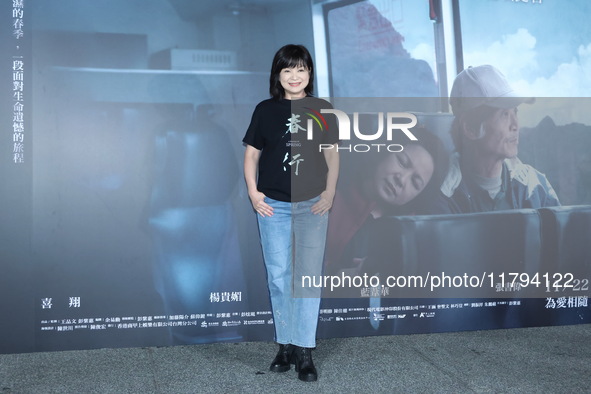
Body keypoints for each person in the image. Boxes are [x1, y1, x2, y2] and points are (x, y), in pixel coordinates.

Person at [242, 44, 339, 382]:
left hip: (313, 204)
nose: (294, 76)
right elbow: (252, 155)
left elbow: (332, 155)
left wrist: (329, 192)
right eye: (287, 70)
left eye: (300, 69)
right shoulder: (265, 110)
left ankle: (305, 350)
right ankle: (285, 344)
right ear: (277, 75)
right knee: (279, 277)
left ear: (309, 73)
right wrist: (254, 193)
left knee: (307, 279)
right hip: (273, 207)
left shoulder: (322, 109)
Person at [431, 65, 560, 214]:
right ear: (470, 129)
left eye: (515, 112)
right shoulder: (442, 196)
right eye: (504, 114)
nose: (515, 125)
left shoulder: (534, 185)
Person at [324, 127, 448, 277]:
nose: (401, 180)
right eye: (402, 162)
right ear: (385, 152)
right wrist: (337, 276)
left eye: (415, 182)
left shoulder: (413, 230)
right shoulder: (328, 198)